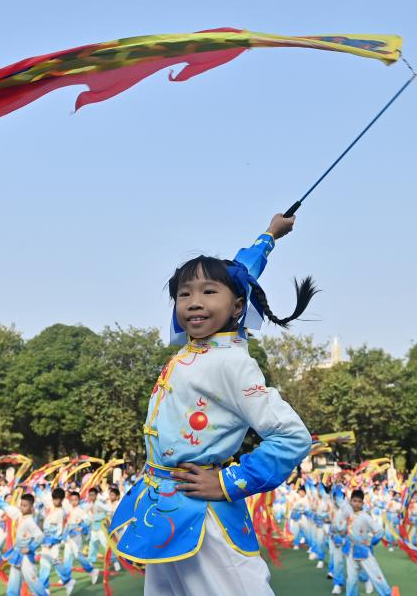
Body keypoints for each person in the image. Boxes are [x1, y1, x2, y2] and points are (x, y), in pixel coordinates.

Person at [109, 213, 313, 595]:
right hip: (163, 510)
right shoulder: (194, 351)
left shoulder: (233, 363)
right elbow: (240, 272)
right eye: (184, 294)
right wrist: (270, 235)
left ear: (237, 307)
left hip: (206, 518)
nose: (194, 302)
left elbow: (292, 437)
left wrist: (227, 482)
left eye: (207, 292)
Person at [344, 490, 392, 596]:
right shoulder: (347, 514)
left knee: (376, 575)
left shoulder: (365, 516)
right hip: (350, 551)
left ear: (362, 503)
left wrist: (371, 542)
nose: (356, 503)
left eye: (359, 501)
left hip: (363, 551)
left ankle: (387, 594)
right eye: (354, 501)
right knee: (351, 579)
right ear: (350, 501)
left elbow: (380, 531)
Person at [1, 494, 50, 596]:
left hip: (26, 556)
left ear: (31, 507)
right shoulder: (20, 516)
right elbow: (10, 510)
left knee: (32, 579)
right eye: (21, 505)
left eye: (25, 505)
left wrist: (30, 548)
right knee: (14, 579)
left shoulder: (30, 521)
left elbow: (40, 536)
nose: (22, 507)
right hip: (17, 553)